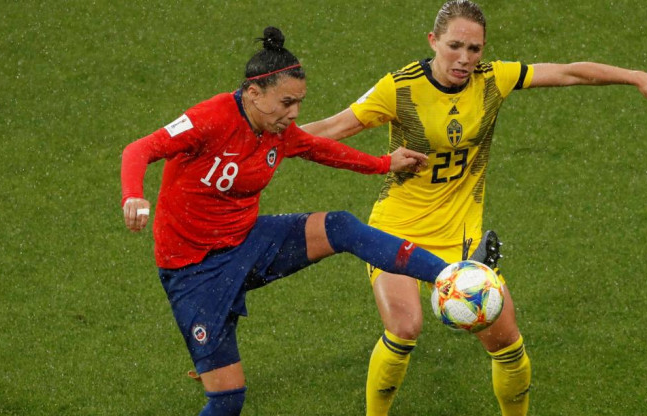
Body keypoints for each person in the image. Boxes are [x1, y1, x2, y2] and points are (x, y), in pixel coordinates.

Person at [301, 1, 647, 415]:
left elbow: (570, 71)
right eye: (454, 46)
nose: (464, 59)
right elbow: (331, 129)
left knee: (506, 343)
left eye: (475, 49)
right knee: (405, 326)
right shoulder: (400, 88)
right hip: (397, 226)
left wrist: (635, 76)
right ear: (433, 41)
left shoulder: (494, 80)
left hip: (461, 236)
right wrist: (262, 141)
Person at [120, 26, 487, 416]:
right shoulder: (211, 118)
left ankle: (450, 276)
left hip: (248, 242)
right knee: (227, 401)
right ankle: (211, 354)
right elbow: (140, 148)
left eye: (299, 102)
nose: (294, 113)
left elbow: (321, 149)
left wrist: (383, 164)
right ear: (253, 93)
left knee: (339, 226)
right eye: (286, 102)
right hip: (195, 271)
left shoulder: (278, 131)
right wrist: (133, 195)